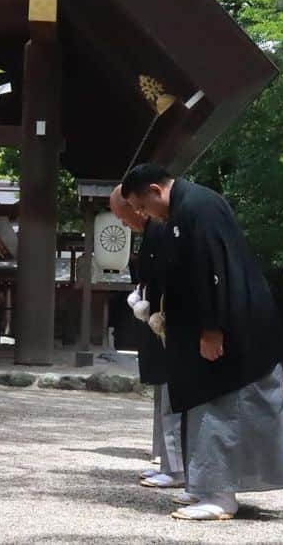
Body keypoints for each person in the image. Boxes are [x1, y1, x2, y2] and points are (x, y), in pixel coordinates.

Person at [121, 163, 283, 521]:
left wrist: (213, 329)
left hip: (229, 330)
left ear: (155, 190)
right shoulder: (184, 211)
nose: (142, 214)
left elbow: (218, 270)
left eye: (140, 206)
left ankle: (221, 495)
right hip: (199, 330)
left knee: (221, 407)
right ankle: (204, 485)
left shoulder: (199, 207)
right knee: (202, 405)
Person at [109, 185, 184, 491]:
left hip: (167, 320)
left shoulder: (164, 228)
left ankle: (177, 468)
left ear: (136, 205)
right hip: (155, 319)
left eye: (123, 216)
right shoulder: (153, 231)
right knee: (164, 395)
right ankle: (168, 462)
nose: (125, 224)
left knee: (173, 397)